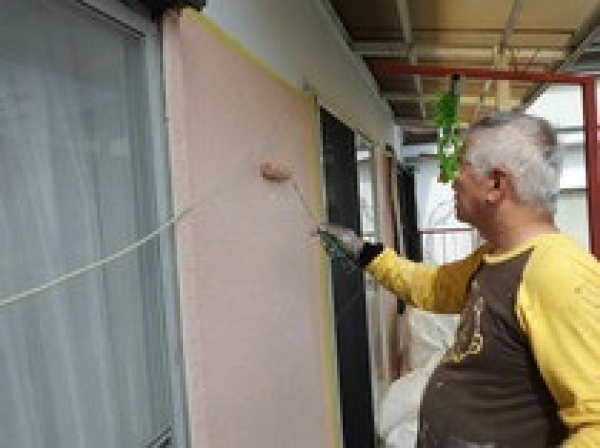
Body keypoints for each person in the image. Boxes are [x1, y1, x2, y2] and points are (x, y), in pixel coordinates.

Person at [317, 111, 600, 447]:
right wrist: (363, 252)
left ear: (496, 184)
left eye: (463, 165)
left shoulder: (557, 273)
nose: (452, 180)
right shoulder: (495, 258)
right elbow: (433, 287)